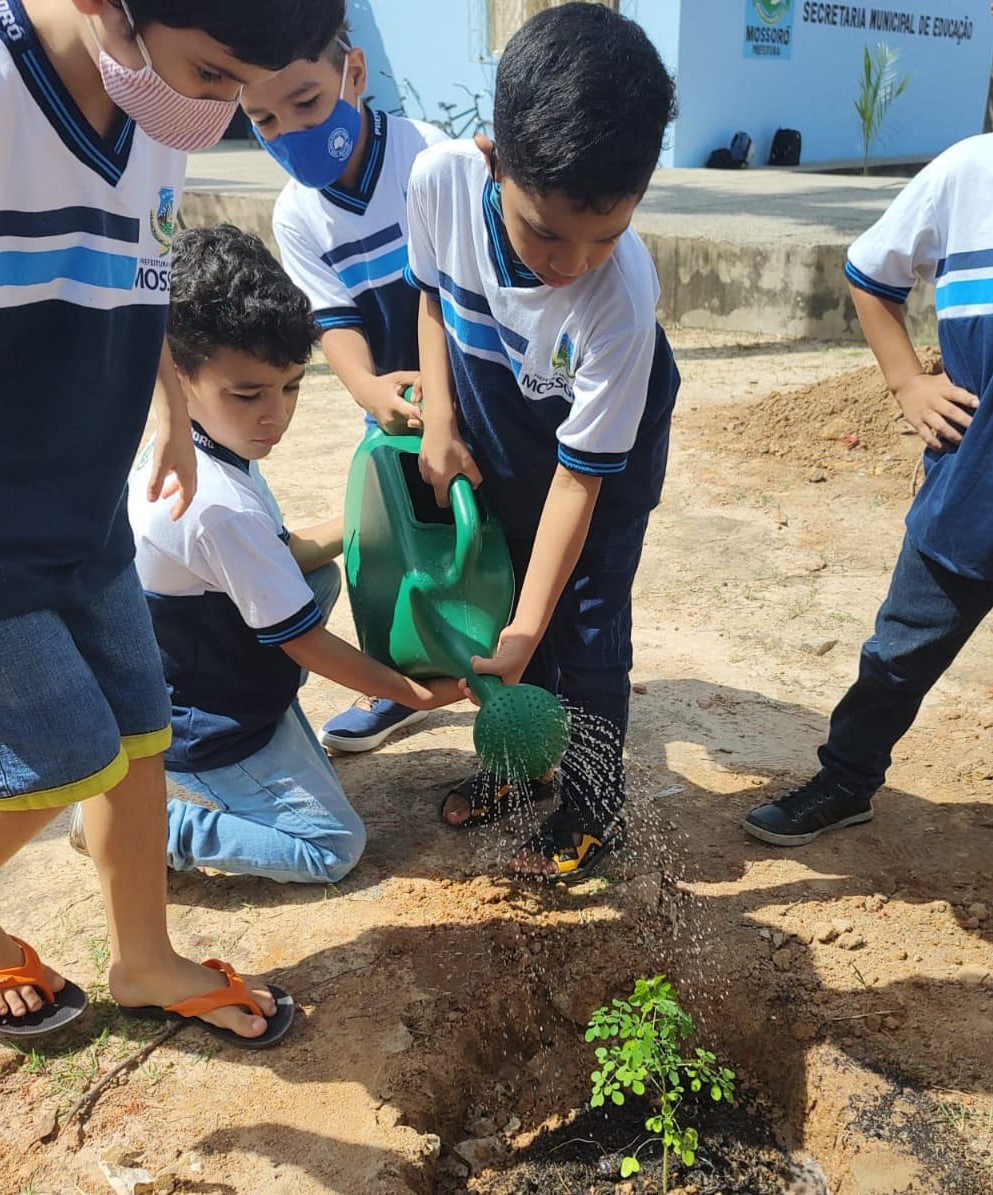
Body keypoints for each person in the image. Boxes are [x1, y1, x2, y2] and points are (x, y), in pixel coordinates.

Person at [0, 0, 343, 1045]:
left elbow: (145, 276)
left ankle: (144, 956)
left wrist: (171, 414)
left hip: (85, 513)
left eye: (243, 90)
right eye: (213, 75)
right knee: (54, 761)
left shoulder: (156, 108)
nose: (219, 111)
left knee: (139, 732)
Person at [743, 0, 993, 868]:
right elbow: (870, 274)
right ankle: (845, 782)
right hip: (972, 494)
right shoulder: (968, 175)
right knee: (892, 662)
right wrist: (906, 380)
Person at [407, 3, 680, 880]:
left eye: (608, 234)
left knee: (583, 629)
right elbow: (430, 297)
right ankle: (521, 764)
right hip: (498, 418)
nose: (572, 264)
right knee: (507, 597)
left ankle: (596, 811)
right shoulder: (440, 182)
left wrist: (532, 627)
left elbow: (579, 483)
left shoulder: (619, 299)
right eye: (547, 231)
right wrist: (441, 417)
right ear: (492, 160)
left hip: (601, 469)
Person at [124, 224, 463, 883]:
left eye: (292, 387)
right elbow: (304, 642)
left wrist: (385, 511)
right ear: (178, 375)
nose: (275, 416)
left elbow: (278, 554)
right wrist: (413, 694)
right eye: (248, 394)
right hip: (208, 724)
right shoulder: (215, 505)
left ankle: (265, 715)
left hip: (203, 661)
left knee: (318, 576)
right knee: (332, 847)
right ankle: (144, 826)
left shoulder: (202, 444)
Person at [239, 30, 447, 757]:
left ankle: (504, 670)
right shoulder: (297, 214)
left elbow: (459, 290)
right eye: (264, 119)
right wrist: (369, 390)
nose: (289, 131)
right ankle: (397, 681)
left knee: (480, 533)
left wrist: (445, 395)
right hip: (388, 409)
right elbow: (336, 321)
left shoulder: (428, 156)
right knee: (387, 549)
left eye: (306, 103)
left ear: (353, 73)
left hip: (468, 392)